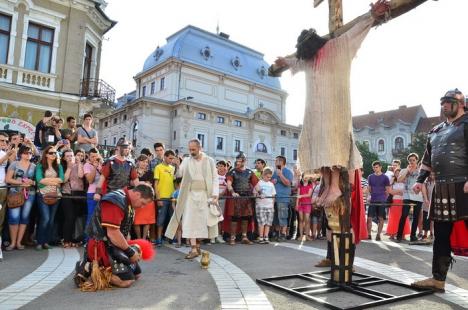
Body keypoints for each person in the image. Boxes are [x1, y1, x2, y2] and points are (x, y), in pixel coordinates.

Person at [411, 89, 468, 292]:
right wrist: (420, 180)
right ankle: (438, 280)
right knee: (441, 236)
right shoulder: (436, 130)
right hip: (442, 187)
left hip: (464, 186)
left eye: (448, 102)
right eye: (442, 102)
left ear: (460, 104)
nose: (444, 106)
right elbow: (427, 159)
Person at [75, 184, 154, 289]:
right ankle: (92, 269)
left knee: (137, 274)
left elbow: (124, 232)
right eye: (143, 203)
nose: (142, 207)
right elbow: (113, 233)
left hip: (113, 245)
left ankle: (93, 267)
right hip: (100, 245)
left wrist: (130, 250)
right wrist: (130, 252)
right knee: (126, 281)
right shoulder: (115, 201)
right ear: (137, 194)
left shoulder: (128, 202)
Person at [165, 139, 219, 259]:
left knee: (203, 222)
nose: (191, 152)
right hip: (190, 195)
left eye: (193, 149)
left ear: (200, 148)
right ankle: (193, 248)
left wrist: (215, 194)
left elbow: (215, 179)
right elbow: (180, 174)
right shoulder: (186, 160)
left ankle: (198, 245)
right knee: (190, 221)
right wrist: (177, 165)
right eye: (190, 149)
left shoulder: (209, 161)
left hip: (205, 195)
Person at [4, 145, 36, 250]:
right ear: (21, 153)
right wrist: (20, 182)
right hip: (15, 193)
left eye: (30, 153)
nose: (28, 155)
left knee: (25, 218)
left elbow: (37, 181)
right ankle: (12, 242)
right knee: (14, 218)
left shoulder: (34, 166)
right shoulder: (14, 164)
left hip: (30, 194)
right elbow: (8, 179)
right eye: (26, 153)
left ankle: (19, 242)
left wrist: (32, 182)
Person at [225, 152, 259, 245]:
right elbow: (229, 184)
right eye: (237, 161)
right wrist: (232, 192)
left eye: (240, 161)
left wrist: (258, 192)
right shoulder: (232, 172)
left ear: (244, 161)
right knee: (234, 218)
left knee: (245, 218)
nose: (238, 163)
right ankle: (232, 237)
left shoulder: (249, 172)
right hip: (236, 198)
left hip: (247, 198)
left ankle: (244, 237)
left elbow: (256, 184)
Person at [35, 145, 64, 250]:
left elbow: (61, 179)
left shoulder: (59, 166)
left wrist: (48, 180)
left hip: (56, 195)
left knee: (51, 220)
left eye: (55, 153)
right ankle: (39, 241)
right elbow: (39, 180)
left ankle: (46, 241)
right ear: (46, 154)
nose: (54, 154)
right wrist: (54, 182)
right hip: (42, 194)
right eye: (51, 153)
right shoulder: (40, 166)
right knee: (45, 218)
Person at [61, 149, 86, 248]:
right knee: (69, 217)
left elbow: (80, 175)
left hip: (78, 194)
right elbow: (64, 180)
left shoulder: (80, 165)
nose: (70, 157)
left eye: (71, 155)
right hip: (67, 193)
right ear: (63, 158)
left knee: (76, 218)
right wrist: (69, 168)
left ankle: (74, 239)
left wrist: (79, 163)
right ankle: (66, 239)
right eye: (67, 156)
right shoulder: (62, 166)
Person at [396, 153, 423, 242]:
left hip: (418, 196)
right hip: (407, 195)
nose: (411, 162)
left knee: (416, 216)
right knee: (404, 215)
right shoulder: (404, 170)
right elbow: (399, 180)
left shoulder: (420, 171)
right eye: (410, 160)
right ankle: (399, 236)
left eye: (413, 160)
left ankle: (413, 236)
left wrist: (425, 197)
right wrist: (407, 171)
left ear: (417, 161)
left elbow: (423, 184)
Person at [154, 150, 176, 247]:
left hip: (171, 198)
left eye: (172, 158)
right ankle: (158, 238)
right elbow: (156, 184)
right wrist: (158, 198)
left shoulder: (173, 168)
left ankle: (171, 237)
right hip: (162, 198)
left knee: (172, 219)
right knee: (161, 219)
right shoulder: (158, 167)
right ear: (165, 157)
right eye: (170, 158)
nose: (171, 160)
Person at [133, 155, 155, 240]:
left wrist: (139, 182)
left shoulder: (150, 173)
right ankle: (138, 238)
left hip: (148, 199)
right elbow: (131, 184)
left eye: (146, 162)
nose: (144, 163)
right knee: (136, 220)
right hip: (136, 198)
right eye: (142, 161)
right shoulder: (133, 171)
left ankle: (144, 238)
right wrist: (143, 182)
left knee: (147, 220)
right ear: (138, 161)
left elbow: (149, 184)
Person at [367, 161, 390, 241]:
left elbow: (387, 190)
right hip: (373, 199)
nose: (375, 169)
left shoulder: (385, 177)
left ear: (380, 167)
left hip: (382, 200)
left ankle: (378, 235)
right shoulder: (370, 176)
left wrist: (384, 199)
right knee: (369, 218)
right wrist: (370, 196)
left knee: (381, 218)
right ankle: (369, 234)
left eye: (376, 167)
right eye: (374, 167)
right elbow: (369, 188)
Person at [272, 155, 293, 241]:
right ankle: (277, 234)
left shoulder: (287, 172)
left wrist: (280, 175)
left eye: (276, 161)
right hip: (274, 199)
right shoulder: (274, 172)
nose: (275, 162)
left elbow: (288, 183)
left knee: (283, 217)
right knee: (276, 217)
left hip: (283, 198)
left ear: (281, 162)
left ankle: (283, 234)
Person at [385, 168, 410, 240]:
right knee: (393, 217)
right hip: (394, 201)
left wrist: (396, 191)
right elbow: (390, 191)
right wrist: (398, 191)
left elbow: (405, 192)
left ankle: (403, 234)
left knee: (403, 217)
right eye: (396, 173)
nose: (398, 174)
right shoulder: (392, 182)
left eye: (399, 173)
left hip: (403, 201)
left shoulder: (405, 182)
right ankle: (392, 233)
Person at [253, 168, 276, 244]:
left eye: (270, 177)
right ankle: (261, 237)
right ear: (263, 175)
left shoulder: (271, 184)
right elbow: (254, 193)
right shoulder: (259, 183)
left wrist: (272, 206)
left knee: (268, 223)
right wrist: (258, 195)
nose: (269, 179)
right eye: (267, 177)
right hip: (260, 205)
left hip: (269, 206)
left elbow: (273, 196)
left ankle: (266, 236)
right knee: (261, 222)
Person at [83, 148, 102, 226]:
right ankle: (87, 238)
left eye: (96, 156)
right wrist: (94, 167)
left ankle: (96, 237)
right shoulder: (87, 165)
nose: (94, 158)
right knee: (91, 216)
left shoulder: (101, 165)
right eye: (92, 157)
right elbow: (90, 180)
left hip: (101, 193)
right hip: (92, 193)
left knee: (100, 217)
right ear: (89, 157)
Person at [213, 160, 228, 244]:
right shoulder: (214, 176)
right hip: (214, 199)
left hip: (223, 199)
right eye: (219, 166)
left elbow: (227, 187)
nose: (221, 168)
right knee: (213, 217)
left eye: (222, 166)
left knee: (220, 218)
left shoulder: (227, 176)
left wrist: (221, 194)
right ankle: (212, 236)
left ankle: (219, 235)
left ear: (225, 167)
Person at [296, 174, 313, 241]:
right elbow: (298, 196)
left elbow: (309, 195)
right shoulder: (300, 186)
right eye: (304, 177)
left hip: (307, 204)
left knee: (307, 220)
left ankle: (307, 236)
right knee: (301, 220)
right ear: (302, 178)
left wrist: (301, 196)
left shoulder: (310, 186)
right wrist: (296, 205)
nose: (305, 179)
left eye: (307, 177)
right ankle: (301, 235)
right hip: (300, 204)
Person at [421, 172, 435, 240]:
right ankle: (425, 234)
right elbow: (424, 192)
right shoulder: (426, 183)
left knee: (433, 219)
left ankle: (431, 233)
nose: (432, 176)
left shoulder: (437, 182)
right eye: (430, 175)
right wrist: (426, 200)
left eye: (433, 175)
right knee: (426, 218)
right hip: (427, 202)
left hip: (434, 203)